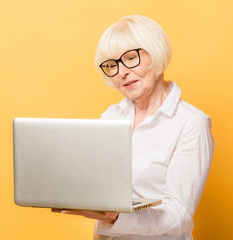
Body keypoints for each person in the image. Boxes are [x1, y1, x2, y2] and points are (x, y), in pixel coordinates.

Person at [52, 15, 214, 240]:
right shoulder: (110, 117)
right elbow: (90, 179)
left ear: (155, 54)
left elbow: (179, 215)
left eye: (131, 58)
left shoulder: (191, 122)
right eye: (112, 65)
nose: (121, 72)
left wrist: (115, 217)